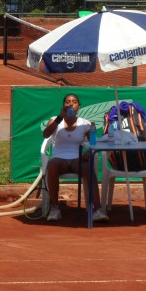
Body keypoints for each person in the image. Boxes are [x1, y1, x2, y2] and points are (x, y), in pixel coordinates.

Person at [42, 93, 108, 222]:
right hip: (59, 159)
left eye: (74, 102)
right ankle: (55, 208)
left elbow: (93, 142)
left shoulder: (86, 123)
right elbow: (45, 134)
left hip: (77, 160)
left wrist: (89, 152)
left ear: (79, 106)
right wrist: (60, 118)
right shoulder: (55, 119)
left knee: (88, 168)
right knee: (52, 164)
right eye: (67, 102)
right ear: (63, 105)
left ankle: (97, 210)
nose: (71, 104)